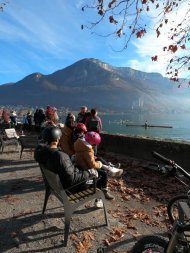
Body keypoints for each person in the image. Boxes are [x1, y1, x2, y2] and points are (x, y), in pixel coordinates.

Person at [34, 126, 114, 208]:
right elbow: (72, 179)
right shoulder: (61, 156)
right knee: (99, 176)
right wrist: (89, 173)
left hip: (54, 185)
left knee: (91, 171)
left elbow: (63, 168)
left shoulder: (41, 151)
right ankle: (99, 200)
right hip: (69, 189)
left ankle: (99, 195)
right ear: (57, 139)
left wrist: (71, 160)